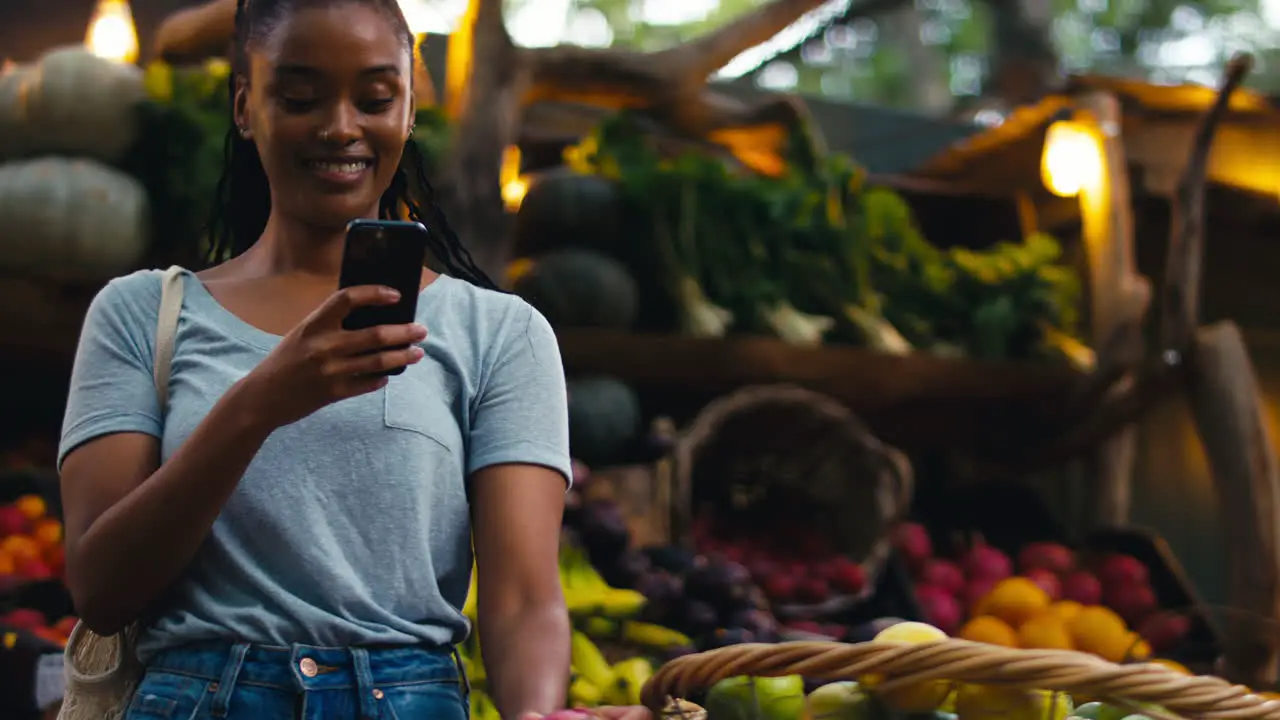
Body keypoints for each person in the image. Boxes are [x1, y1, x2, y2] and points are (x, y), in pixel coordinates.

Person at [58, 0, 649, 717]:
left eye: (374, 98)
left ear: (406, 110)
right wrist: (259, 404)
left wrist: (534, 715)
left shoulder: (499, 333)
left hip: (407, 699)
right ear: (246, 107)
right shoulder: (141, 314)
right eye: (301, 97)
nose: (341, 127)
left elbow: (524, 598)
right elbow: (102, 588)